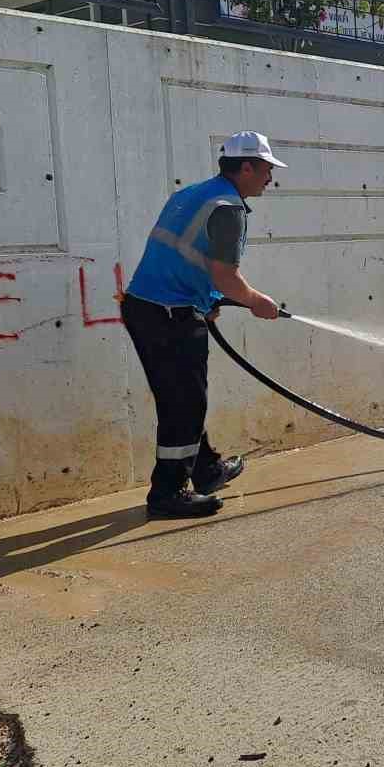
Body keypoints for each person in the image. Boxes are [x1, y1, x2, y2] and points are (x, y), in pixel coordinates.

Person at [121, 132, 285, 518]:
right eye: (265, 169)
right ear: (246, 167)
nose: (270, 178)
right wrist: (257, 302)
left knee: (184, 395)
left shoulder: (192, 194)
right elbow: (226, 276)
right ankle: (167, 493)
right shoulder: (229, 208)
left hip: (147, 306)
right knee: (184, 402)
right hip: (169, 314)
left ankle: (206, 468)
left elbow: (183, 255)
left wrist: (207, 301)